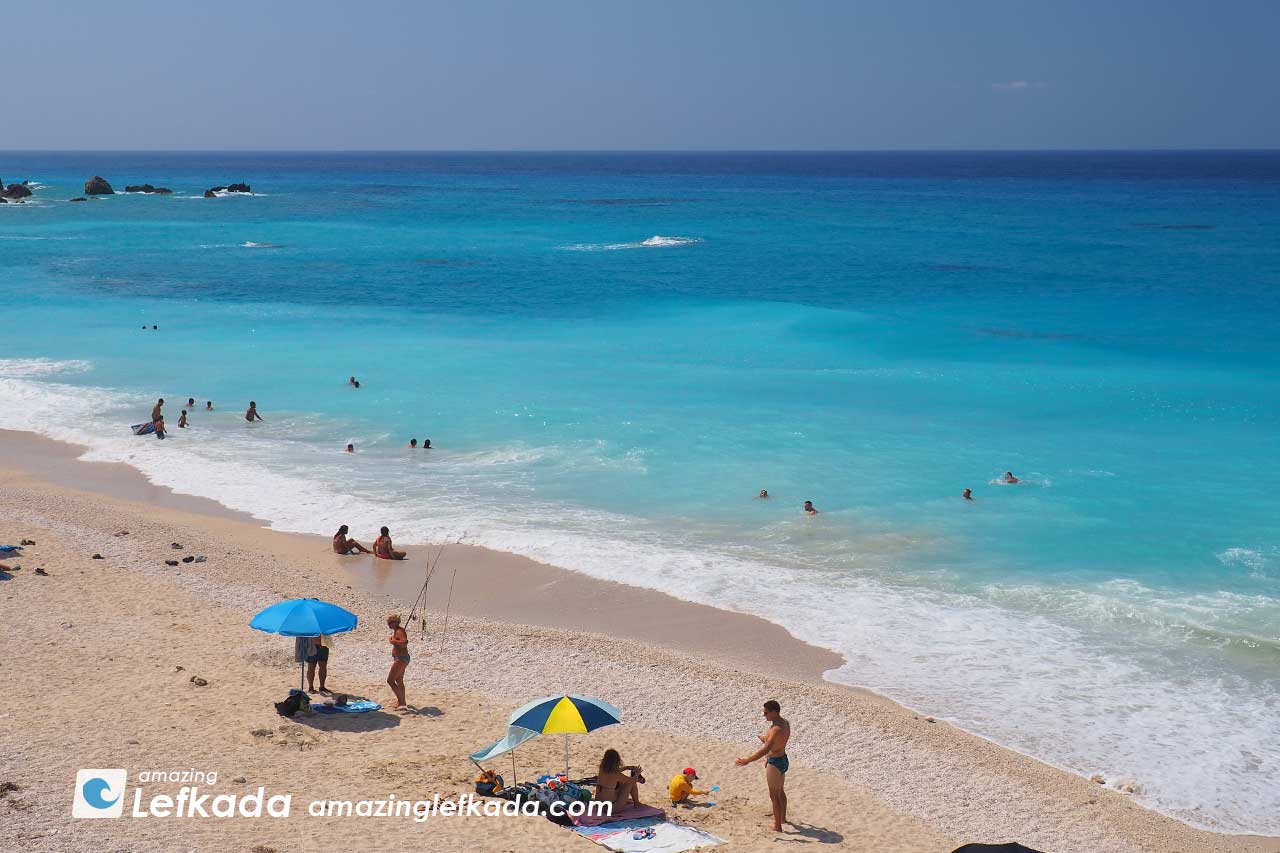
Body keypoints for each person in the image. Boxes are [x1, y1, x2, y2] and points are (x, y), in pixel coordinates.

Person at [736, 699, 790, 832]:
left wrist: (748, 760)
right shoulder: (785, 723)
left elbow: (766, 749)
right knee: (780, 791)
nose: (764, 715)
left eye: (766, 713)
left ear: (774, 712)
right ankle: (783, 818)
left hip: (775, 763)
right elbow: (778, 742)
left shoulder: (775, 729)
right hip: (783, 759)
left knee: (774, 795)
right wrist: (765, 739)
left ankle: (777, 826)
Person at [386, 614, 410, 712]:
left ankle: (402, 703)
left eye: (391, 623)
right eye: (389, 623)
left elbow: (404, 642)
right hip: (401, 658)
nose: (389, 625)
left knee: (390, 680)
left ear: (396, 622)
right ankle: (402, 702)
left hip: (401, 658)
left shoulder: (399, 631)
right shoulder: (397, 631)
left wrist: (394, 641)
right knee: (399, 681)